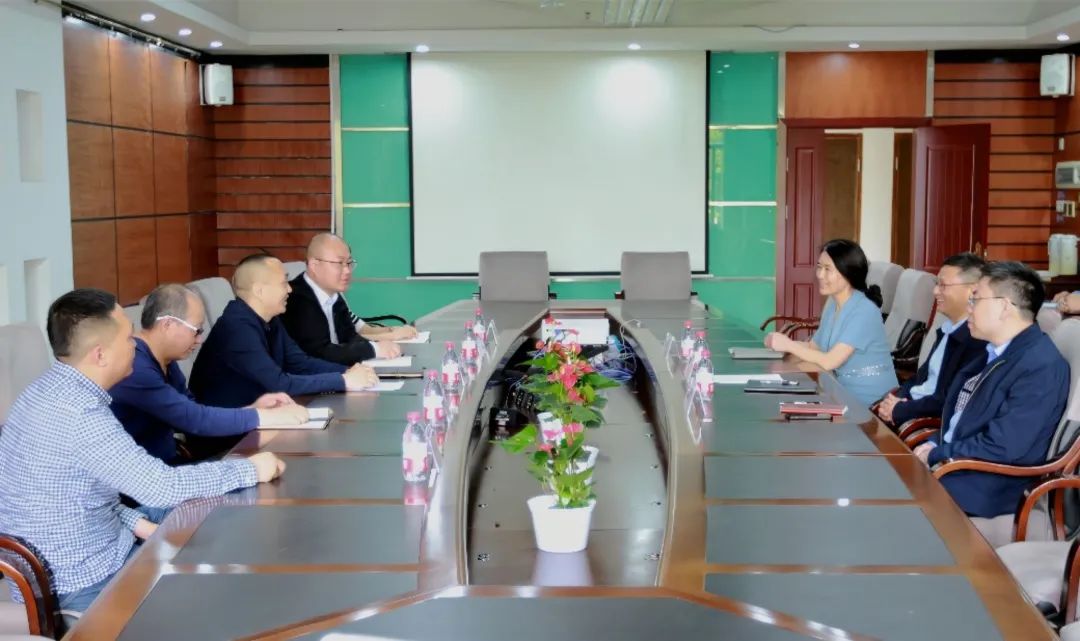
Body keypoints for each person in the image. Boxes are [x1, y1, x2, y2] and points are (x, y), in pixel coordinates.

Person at [0, 289, 286, 625]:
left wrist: (138, 524)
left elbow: (77, 496)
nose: (135, 345)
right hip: (86, 583)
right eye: (127, 338)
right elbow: (161, 487)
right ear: (100, 355)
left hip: (97, 544)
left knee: (224, 512)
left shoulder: (45, 390)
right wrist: (248, 469)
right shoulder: (80, 415)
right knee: (223, 584)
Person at [914, 261, 1069, 518]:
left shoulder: (1040, 366)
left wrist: (938, 453)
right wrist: (934, 443)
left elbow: (1004, 446)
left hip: (983, 490)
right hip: (953, 470)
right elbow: (962, 419)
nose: (969, 308)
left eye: (975, 300)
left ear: (1004, 306)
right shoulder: (994, 352)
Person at [110, 284, 310, 465]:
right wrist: (263, 416)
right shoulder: (137, 368)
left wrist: (252, 409)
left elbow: (193, 411)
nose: (199, 340)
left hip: (171, 461)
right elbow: (193, 420)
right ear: (168, 325)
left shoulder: (166, 360)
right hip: (150, 478)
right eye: (196, 330)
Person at [189, 254, 379, 410]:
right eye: (283, 283)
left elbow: (300, 363)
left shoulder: (270, 319)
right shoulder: (237, 328)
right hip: (227, 432)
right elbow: (279, 383)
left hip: (261, 416)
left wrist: (348, 371)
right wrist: (343, 380)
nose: (289, 289)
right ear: (259, 291)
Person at [764, 239, 898, 406]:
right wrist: (779, 351)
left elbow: (830, 361)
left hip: (870, 402)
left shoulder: (865, 310)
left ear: (848, 273)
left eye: (828, 269)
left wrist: (788, 345)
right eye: (819, 267)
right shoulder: (833, 303)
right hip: (839, 390)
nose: (820, 275)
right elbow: (814, 347)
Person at [876, 253, 987, 428]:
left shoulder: (977, 341)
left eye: (943, 285)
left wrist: (900, 409)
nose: (935, 291)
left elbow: (948, 400)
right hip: (910, 408)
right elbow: (920, 378)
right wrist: (896, 399)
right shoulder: (948, 329)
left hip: (926, 422)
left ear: (972, 291)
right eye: (936, 284)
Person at [283, 233, 417, 365]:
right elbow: (319, 352)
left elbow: (350, 338)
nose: (347, 270)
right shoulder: (296, 299)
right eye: (339, 263)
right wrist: (374, 349)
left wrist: (384, 345)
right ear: (314, 265)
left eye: (348, 263)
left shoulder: (334, 296)